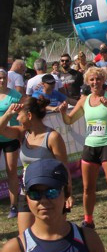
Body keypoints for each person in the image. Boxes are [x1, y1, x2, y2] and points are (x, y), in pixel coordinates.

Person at [60, 67, 107, 237]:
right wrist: (62, 113)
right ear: (87, 82)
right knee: (88, 188)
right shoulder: (84, 100)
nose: (95, 82)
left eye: (98, 79)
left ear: (103, 80)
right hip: (90, 146)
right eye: (92, 79)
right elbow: (69, 120)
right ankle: (88, 220)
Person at [0, 96, 72, 234]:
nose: (17, 118)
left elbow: (63, 167)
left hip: (51, 193)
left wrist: (68, 194)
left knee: (53, 234)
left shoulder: (53, 137)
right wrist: (8, 113)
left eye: (19, 115)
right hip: (28, 191)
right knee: (24, 236)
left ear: (29, 115)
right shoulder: (22, 133)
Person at [0, 69, 22, 219]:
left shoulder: (15, 95)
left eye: (3, 78)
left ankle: (14, 206)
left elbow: (23, 114)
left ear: (7, 78)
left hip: (10, 138)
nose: (1, 81)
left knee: (11, 171)